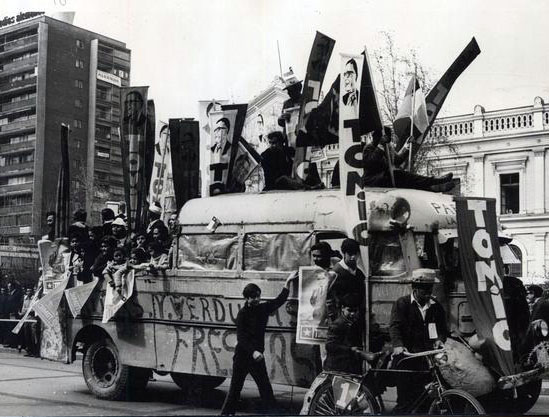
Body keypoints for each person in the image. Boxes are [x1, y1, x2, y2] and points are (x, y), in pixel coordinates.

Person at [220, 273, 297, 415]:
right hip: (243, 357)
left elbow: (279, 301)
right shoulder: (242, 314)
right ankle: (226, 414)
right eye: (253, 297)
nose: (256, 299)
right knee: (235, 388)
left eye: (258, 296)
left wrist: (287, 283)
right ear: (247, 298)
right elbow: (241, 338)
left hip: (257, 358)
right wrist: (253, 352)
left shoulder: (262, 309)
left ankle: (273, 413)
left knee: (265, 387)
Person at [389, 269, 448, 413]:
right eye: (424, 290)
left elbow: (442, 329)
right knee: (405, 401)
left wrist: (440, 340)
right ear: (415, 288)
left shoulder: (436, 307)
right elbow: (394, 326)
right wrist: (398, 345)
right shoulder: (402, 304)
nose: (428, 294)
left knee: (426, 398)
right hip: (407, 358)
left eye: (430, 289)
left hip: (426, 359)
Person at [363, 128, 455, 192]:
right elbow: (371, 162)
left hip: (386, 178)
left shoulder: (387, 147)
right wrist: (380, 146)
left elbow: (397, 160)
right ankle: (434, 182)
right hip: (374, 180)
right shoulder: (369, 148)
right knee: (402, 176)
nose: (388, 142)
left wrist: (406, 147)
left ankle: (433, 187)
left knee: (409, 181)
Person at [324, 293, 376, 374]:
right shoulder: (337, 325)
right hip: (336, 367)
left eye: (355, 311)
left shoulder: (356, 324)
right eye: (349, 310)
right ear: (342, 308)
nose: (352, 314)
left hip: (351, 367)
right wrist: (350, 349)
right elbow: (329, 346)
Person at [328, 238, 367, 319]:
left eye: (355, 254)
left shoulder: (359, 273)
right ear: (344, 253)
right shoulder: (335, 272)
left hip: (357, 316)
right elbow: (330, 299)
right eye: (350, 254)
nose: (353, 257)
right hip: (340, 317)